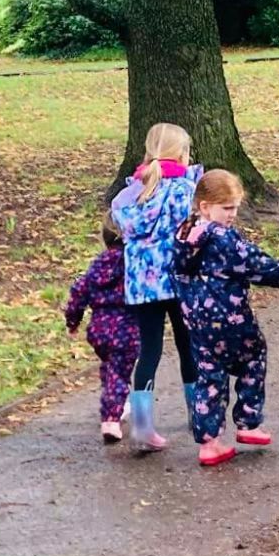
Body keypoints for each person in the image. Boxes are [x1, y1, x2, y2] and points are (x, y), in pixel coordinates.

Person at [174, 170, 279, 467]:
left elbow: (176, 271)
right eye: (227, 208)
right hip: (230, 318)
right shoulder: (222, 237)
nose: (233, 214)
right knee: (253, 356)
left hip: (198, 322)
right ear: (205, 206)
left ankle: (209, 442)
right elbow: (254, 263)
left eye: (235, 207)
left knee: (209, 376)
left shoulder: (186, 233)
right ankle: (249, 422)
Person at [109, 123, 201, 453]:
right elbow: (193, 228)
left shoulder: (133, 190)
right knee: (187, 343)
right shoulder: (184, 190)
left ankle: (143, 426)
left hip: (141, 284)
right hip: (177, 278)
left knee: (149, 350)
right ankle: (198, 413)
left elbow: (118, 220)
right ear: (182, 154)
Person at [65, 211, 139, 444]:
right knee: (119, 373)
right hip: (126, 329)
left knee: (110, 367)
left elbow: (79, 292)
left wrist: (73, 320)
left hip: (98, 329)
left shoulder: (97, 265)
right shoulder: (133, 263)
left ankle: (115, 401)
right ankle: (111, 418)